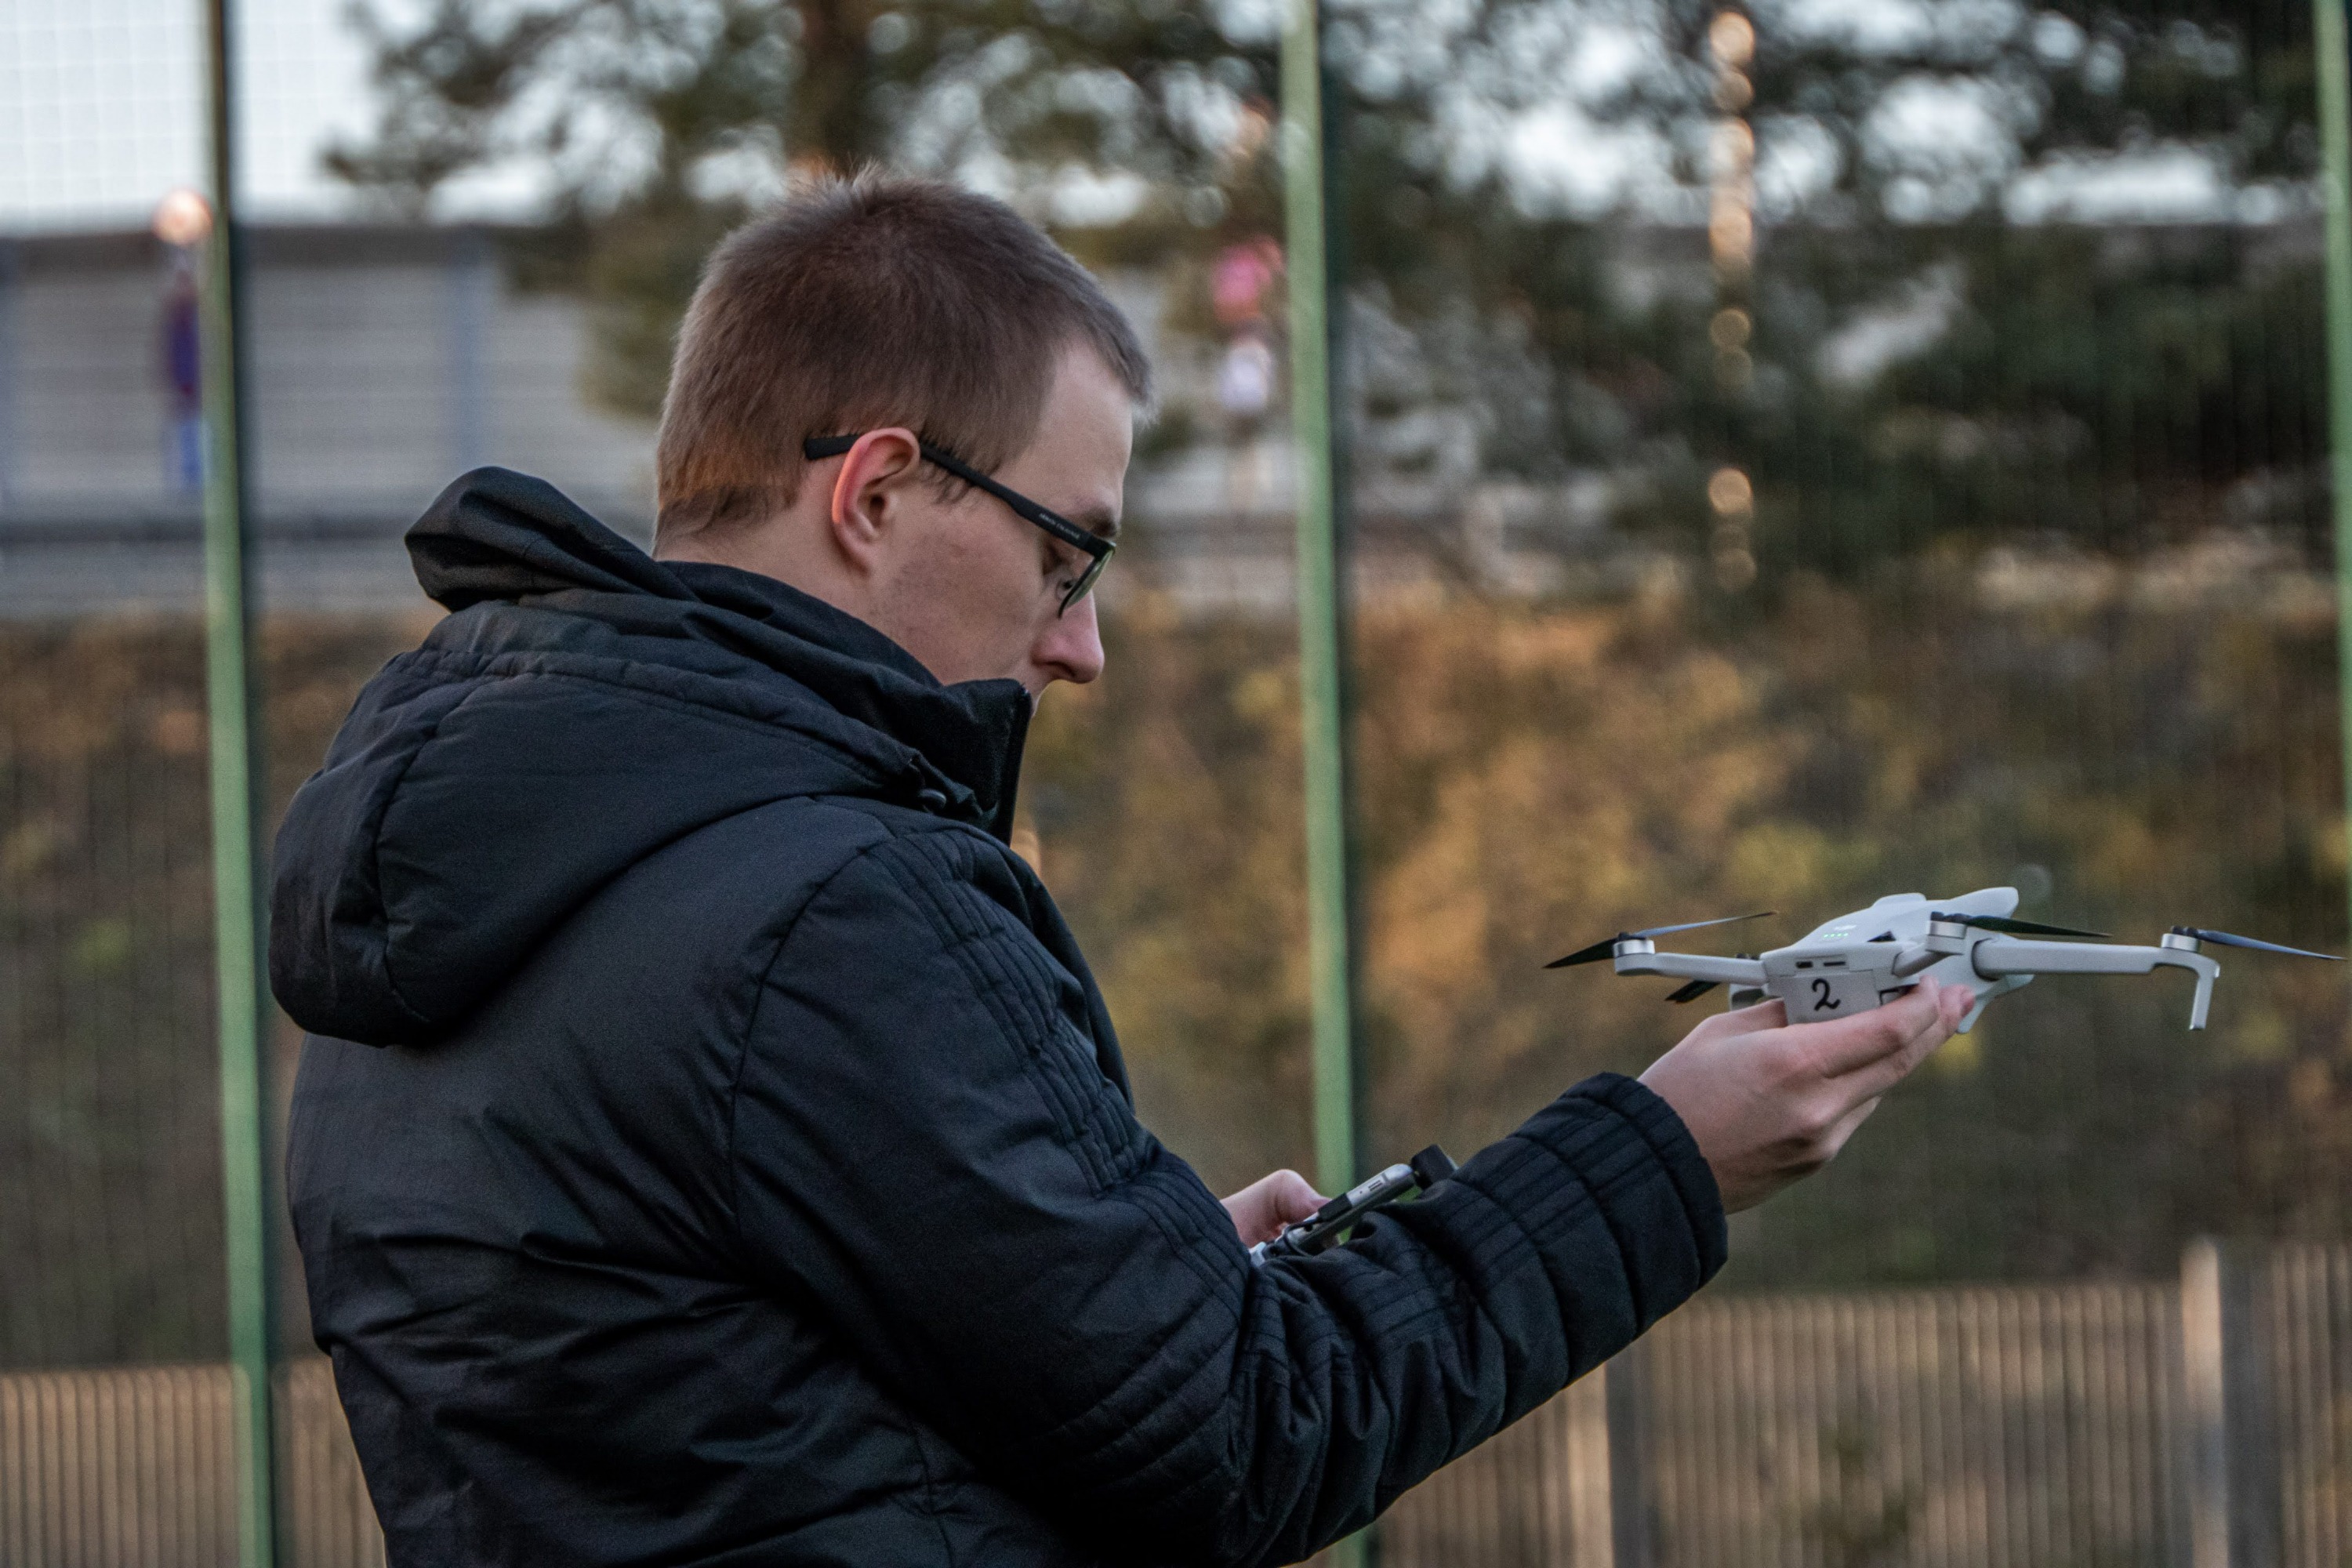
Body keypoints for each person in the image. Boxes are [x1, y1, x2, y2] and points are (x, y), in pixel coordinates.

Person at [274, 175, 1967, 1567]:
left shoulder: (449, 899)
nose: (1081, 644)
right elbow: (1243, 1439)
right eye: (1068, 553)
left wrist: (1107, 1281)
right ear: (877, 492)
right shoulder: (834, 905)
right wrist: (1670, 1160)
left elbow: (718, 1415)